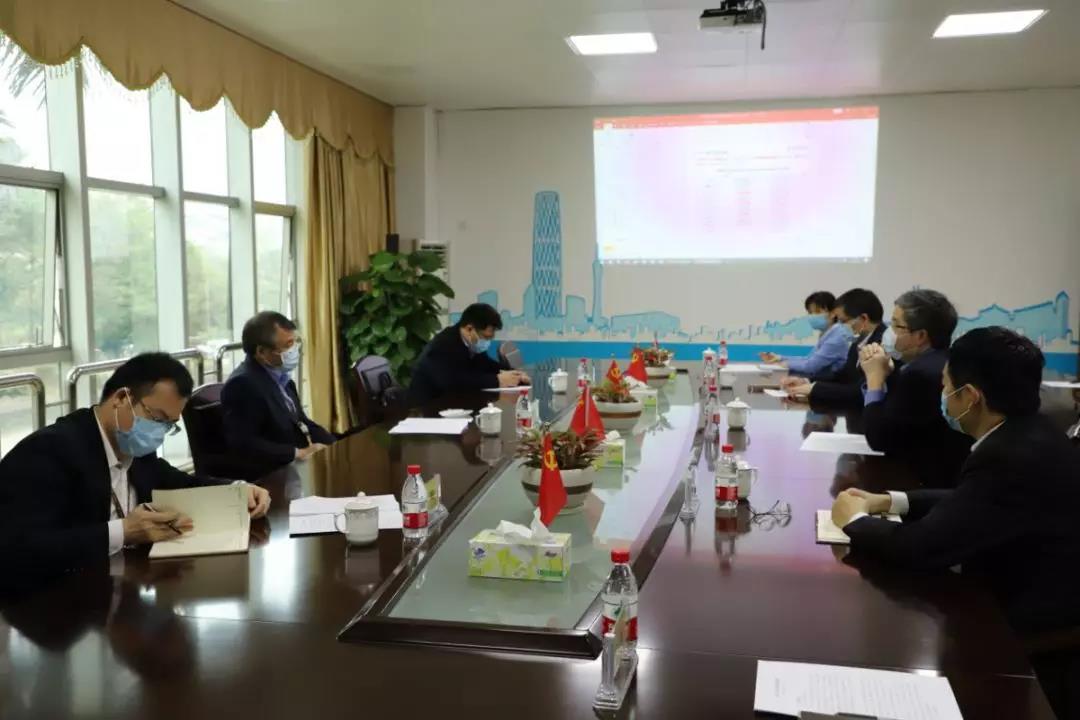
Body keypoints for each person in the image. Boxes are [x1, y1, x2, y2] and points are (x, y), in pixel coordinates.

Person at [831, 327, 1080, 720]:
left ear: (971, 396)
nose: (943, 395)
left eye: (946, 386)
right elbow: (972, 501)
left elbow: (922, 548)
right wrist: (892, 500)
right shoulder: (1033, 432)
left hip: (1025, 620)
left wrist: (855, 521)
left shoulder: (1006, 455)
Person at [0, 353, 271, 591]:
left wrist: (238, 490)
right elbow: (21, 549)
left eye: (169, 425)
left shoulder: (134, 447)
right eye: (157, 419)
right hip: (52, 606)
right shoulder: (49, 451)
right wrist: (124, 531)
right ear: (121, 398)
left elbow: (178, 482)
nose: (159, 433)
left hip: (120, 586)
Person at [858, 289, 971, 486]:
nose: (888, 332)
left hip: (922, 480)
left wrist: (874, 378)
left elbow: (879, 438)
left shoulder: (920, 374)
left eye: (896, 325)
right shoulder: (939, 362)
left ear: (920, 336)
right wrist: (886, 373)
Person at [221, 312, 335, 473]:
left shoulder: (282, 377)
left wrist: (335, 447)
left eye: (294, 342)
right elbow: (244, 443)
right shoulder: (242, 384)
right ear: (261, 352)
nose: (294, 350)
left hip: (297, 466)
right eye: (288, 345)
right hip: (272, 474)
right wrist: (297, 453)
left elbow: (302, 422)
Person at [408, 303, 530, 406]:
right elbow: (453, 381)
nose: (488, 341)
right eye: (486, 337)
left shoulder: (471, 343)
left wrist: (513, 374)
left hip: (457, 402)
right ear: (469, 329)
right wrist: (497, 380)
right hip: (429, 406)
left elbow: (485, 364)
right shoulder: (444, 345)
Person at [783, 288, 887, 409]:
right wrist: (807, 381)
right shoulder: (859, 340)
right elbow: (844, 375)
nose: (839, 326)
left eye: (843, 321)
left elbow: (859, 390)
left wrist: (815, 388)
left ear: (863, 318)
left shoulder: (882, 345)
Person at [760, 291, 853, 381]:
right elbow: (808, 359)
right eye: (810, 313)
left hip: (831, 385)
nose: (812, 316)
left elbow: (811, 366)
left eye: (817, 312)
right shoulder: (828, 334)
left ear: (832, 314)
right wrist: (779, 358)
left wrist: (784, 364)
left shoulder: (837, 338)